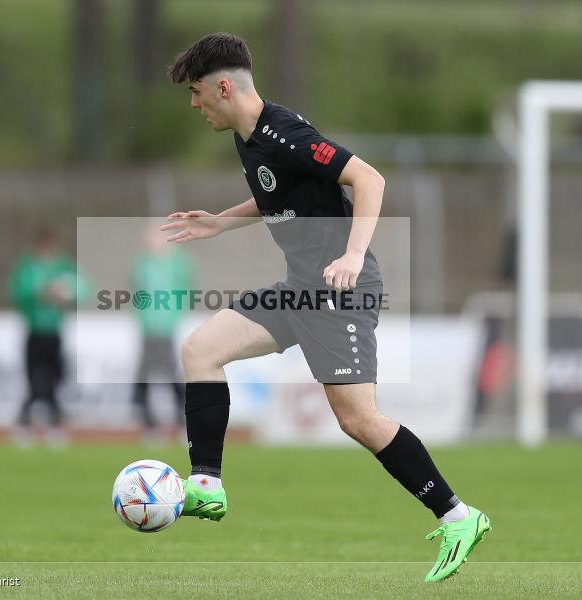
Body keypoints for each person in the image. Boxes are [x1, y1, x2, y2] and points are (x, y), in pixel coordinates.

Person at [163, 33, 490, 583]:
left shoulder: (284, 133)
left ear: (223, 88)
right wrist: (221, 222)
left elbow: (368, 178)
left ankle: (459, 516)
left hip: (340, 292)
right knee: (200, 350)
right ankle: (207, 486)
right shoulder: (248, 137)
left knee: (358, 419)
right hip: (301, 288)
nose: (193, 104)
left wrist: (354, 254)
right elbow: (278, 193)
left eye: (196, 92)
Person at [9, 228, 86, 448]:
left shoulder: (62, 268)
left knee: (54, 378)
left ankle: (53, 423)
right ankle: (26, 423)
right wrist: (42, 292)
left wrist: (65, 294)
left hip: (54, 332)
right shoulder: (28, 267)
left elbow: (83, 289)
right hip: (35, 331)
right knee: (33, 379)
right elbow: (18, 293)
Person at [130, 222, 195, 440]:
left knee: (170, 375)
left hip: (166, 329)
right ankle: (150, 424)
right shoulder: (142, 263)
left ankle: (182, 422)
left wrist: (173, 316)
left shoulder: (177, 263)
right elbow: (137, 292)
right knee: (144, 377)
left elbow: (186, 288)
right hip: (148, 329)